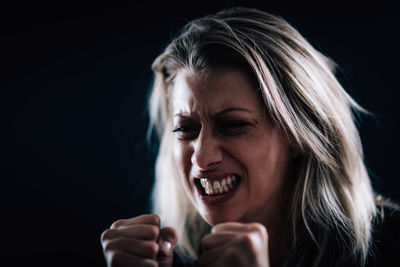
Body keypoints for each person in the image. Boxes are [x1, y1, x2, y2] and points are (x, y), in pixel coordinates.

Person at [100, 7, 400, 267]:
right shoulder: (167, 257)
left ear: (300, 135)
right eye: (186, 129)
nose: (202, 157)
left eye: (233, 125)